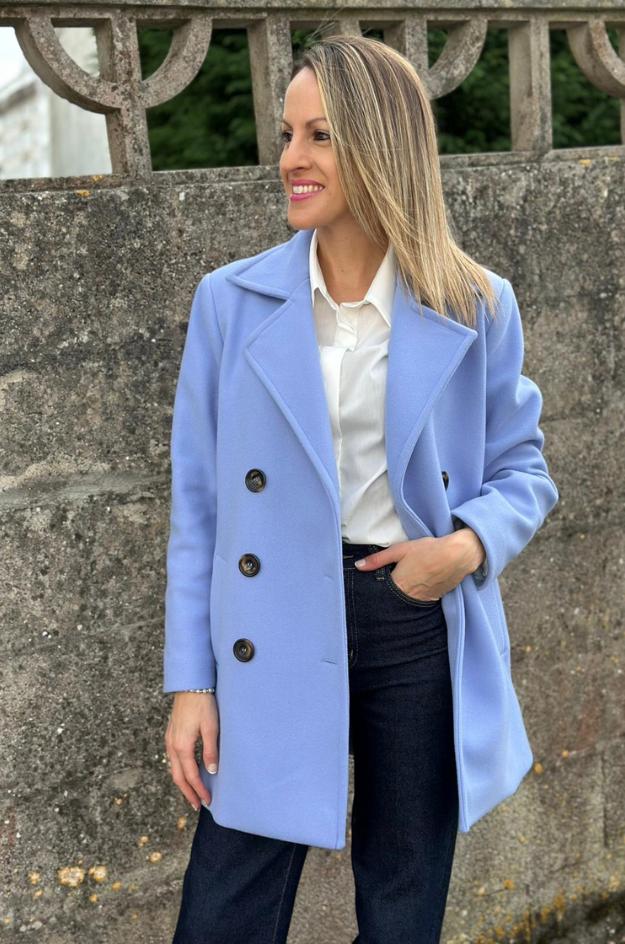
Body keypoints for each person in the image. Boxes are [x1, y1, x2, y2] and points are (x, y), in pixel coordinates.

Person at [163, 34, 559, 944]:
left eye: (319, 136)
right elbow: (200, 510)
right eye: (286, 134)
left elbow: (523, 468)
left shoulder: (473, 302)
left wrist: (460, 549)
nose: (289, 159)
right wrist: (191, 682)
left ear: (381, 146)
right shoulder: (229, 302)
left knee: (402, 903)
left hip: (409, 614)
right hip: (271, 619)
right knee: (223, 908)